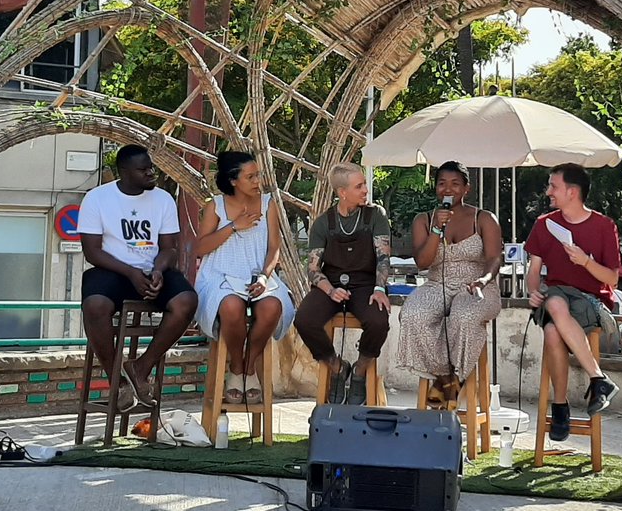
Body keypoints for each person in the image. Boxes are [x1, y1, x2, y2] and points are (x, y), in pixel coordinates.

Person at [77, 144, 199, 409]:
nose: (151, 173)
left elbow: (169, 249)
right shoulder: (97, 199)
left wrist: (157, 270)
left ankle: (140, 368)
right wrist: (131, 272)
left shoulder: (163, 199)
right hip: (112, 270)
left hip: (150, 269)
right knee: (95, 305)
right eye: (143, 170)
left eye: (150, 168)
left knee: (186, 301)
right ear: (124, 172)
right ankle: (117, 382)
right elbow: (92, 251)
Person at [524, 162, 620, 440]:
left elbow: (612, 279)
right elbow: (534, 272)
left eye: (554, 186)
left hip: (590, 302)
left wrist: (585, 261)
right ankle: (596, 381)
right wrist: (532, 291)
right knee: (553, 310)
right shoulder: (545, 225)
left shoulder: (604, 226)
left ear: (572, 192)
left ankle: (562, 407)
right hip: (555, 295)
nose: (548, 192)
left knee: (553, 329)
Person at [396, 161, 502, 408]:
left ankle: (454, 378)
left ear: (467, 188)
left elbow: (495, 257)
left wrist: (484, 280)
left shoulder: (484, 218)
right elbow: (423, 262)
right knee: (413, 315)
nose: (448, 189)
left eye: (455, 184)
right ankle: (447, 379)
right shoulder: (423, 220)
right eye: (442, 184)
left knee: (463, 316)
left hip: (477, 285)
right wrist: (436, 229)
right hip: (437, 284)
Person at [194, 150, 294, 404]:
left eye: (258, 175)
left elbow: (274, 247)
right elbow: (199, 248)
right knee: (230, 305)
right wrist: (233, 226)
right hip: (220, 275)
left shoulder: (269, 203)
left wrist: (263, 277)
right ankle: (237, 369)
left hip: (257, 274)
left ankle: (250, 367)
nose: (257, 181)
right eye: (250, 176)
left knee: (273, 306)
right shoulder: (214, 206)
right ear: (233, 180)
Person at [294, 162, 392, 405]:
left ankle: (360, 371)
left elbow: (383, 257)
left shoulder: (375, 215)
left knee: (379, 320)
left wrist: (379, 288)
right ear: (342, 192)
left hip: (367, 283)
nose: (365, 190)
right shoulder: (323, 223)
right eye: (359, 186)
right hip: (331, 283)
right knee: (304, 319)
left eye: (364, 185)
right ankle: (337, 368)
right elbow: (314, 269)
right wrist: (330, 290)